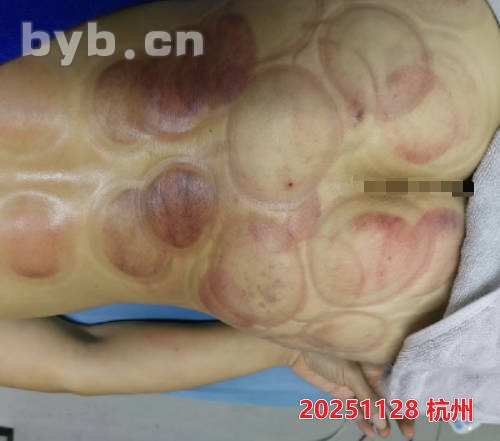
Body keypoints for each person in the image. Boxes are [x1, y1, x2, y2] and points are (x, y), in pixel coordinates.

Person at [0, 0, 499, 439]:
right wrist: (280, 353)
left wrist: (277, 352)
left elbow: (82, 362)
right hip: (409, 66)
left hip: (417, 70)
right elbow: (79, 361)